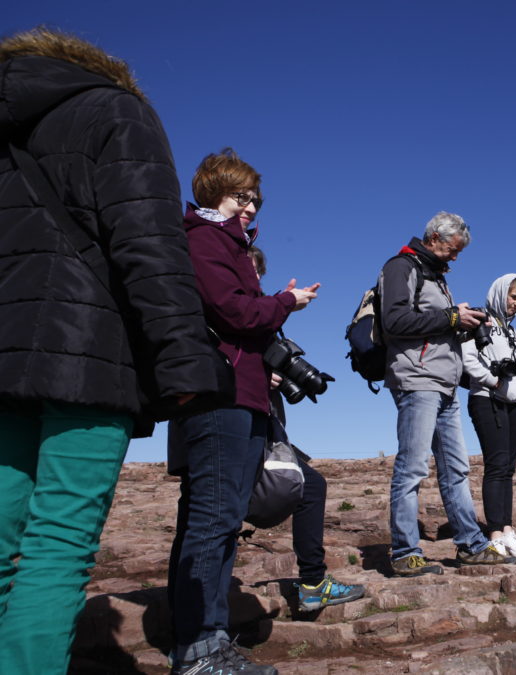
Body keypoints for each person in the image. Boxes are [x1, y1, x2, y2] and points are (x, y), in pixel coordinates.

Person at [0, 29, 227, 674]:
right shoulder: (116, 110)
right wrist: (183, 359)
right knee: (58, 545)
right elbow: (149, 245)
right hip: (87, 356)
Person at [167, 149, 320, 675]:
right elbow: (232, 311)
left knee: (214, 520)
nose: (250, 207)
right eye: (240, 197)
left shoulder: (227, 241)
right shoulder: (206, 240)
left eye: (255, 199)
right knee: (213, 522)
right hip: (219, 398)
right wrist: (283, 303)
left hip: (234, 394)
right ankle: (199, 649)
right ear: (214, 194)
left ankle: (202, 641)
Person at [380, 212, 516, 576]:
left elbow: (436, 325)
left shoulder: (435, 276)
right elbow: (395, 322)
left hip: (445, 383)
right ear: (435, 237)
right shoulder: (401, 267)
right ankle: (405, 552)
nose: (455, 257)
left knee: (456, 469)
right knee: (412, 468)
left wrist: (463, 322)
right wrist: (451, 318)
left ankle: (471, 545)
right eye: (452, 250)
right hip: (417, 380)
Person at [249, 246, 365, 611]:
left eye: (256, 273)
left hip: (262, 425)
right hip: (232, 426)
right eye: (245, 269)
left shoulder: (255, 318)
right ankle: (197, 624)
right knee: (216, 512)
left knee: (311, 485)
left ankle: (313, 583)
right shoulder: (220, 308)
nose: (252, 278)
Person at [462, 275, 516, 560]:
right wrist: (494, 383)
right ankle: (494, 534)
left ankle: (506, 528)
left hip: (514, 403)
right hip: (487, 399)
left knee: (509, 467)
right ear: (499, 293)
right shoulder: (480, 319)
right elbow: (467, 359)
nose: (515, 303)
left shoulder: (510, 331)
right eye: (511, 296)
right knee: (496, 464)